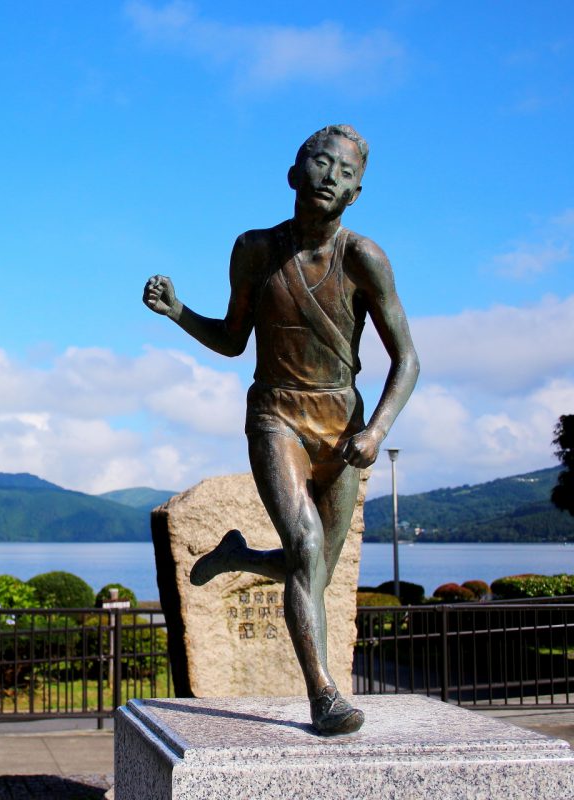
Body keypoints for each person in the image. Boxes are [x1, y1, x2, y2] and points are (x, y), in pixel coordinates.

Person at [142, 124, 419, 735]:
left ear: (356, 193)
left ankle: (238, 556)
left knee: (312, 568)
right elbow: (234, 340)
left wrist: (375, 430)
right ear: (294, 173)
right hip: (277, 416)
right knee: (306, 546)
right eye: (320, 164)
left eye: (344, 173)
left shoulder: (363, 258)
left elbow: (408, 359)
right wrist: (179, 312)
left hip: (342, 427)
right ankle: (324, 694)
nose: (330, 177)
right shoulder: (255, 250)